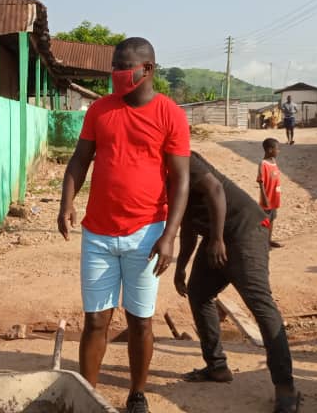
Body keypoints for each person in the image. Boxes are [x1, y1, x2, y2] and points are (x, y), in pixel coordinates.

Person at [57, 37, 190, 413]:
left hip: (148, 234)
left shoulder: (170, 114)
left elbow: (181, 180)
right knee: (95, 319)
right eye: (114, 66)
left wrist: (169, 236)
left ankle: (137, 393)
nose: (116, 74)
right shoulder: (99, 110)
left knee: (140, 321)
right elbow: (80, 160)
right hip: (98, 233)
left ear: (147, 69)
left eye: (124, 67)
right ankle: (88, 396)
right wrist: (67, 203)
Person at [175, 152, 300, 412]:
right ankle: (217, 366)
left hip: (245, 229)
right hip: (216, 236)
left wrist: (218, 239)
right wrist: (181, 267)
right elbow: (187, 223)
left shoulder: (183, 157)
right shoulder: (160, 173)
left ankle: (286, 387)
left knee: (260, 305)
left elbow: (216, 190)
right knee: (199, 293)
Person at [258, 138, 283, 248]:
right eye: (277, 149)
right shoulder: (263, 164)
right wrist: (264, 198)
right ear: (269, 150)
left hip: (275, 197)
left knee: (272, 218)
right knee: (265, 220)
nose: (279, 151)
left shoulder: (273, 161)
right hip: (267, 197)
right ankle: (263, 242)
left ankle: (269, 240)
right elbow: (261, 182)